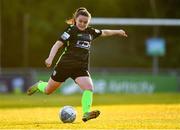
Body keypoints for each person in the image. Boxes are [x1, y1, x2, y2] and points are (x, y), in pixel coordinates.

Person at [27, 7, 127, 122]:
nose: (83, 24)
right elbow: (57, 44)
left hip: (80, 68)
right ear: (76, 20)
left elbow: (104, 32)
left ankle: (86, 113)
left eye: (85, 22)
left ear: (88, 22)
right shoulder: (71, 30)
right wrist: (50, 58)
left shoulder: (91, 32)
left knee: (89, 88)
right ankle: (40, 85)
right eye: (80, 21)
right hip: (65, 65)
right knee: (48, 91)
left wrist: (118, 32)